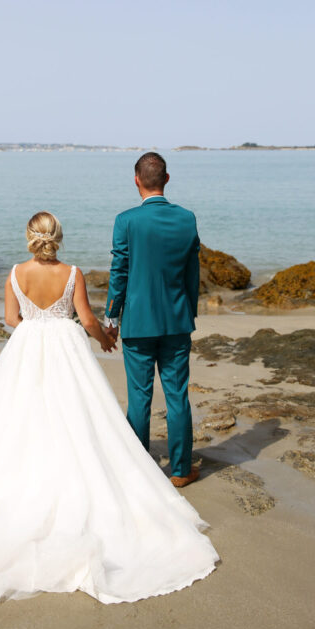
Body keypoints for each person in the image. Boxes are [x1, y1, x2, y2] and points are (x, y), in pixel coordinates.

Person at [0, 210, 218, 605]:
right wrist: (103, 338)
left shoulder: (14, 274)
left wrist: (35, 325)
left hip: (27, 349)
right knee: (78, 416)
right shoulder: (72, 273)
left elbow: (11, 318)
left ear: (29, 237)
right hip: (67, 350)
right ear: (59, 237)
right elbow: (88, 319)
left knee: (24, 417)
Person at [105, 152, 201, 487]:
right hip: (176, 320)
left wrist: (111, 315)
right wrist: (190, 310)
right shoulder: (187, 219)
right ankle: (180, 470)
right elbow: (192, 273)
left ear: (136, 181)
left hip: (138, 322)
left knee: (139, 397)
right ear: (167, 179)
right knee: (177, 395)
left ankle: (138, 471)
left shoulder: (126, 221)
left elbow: (120, 271)